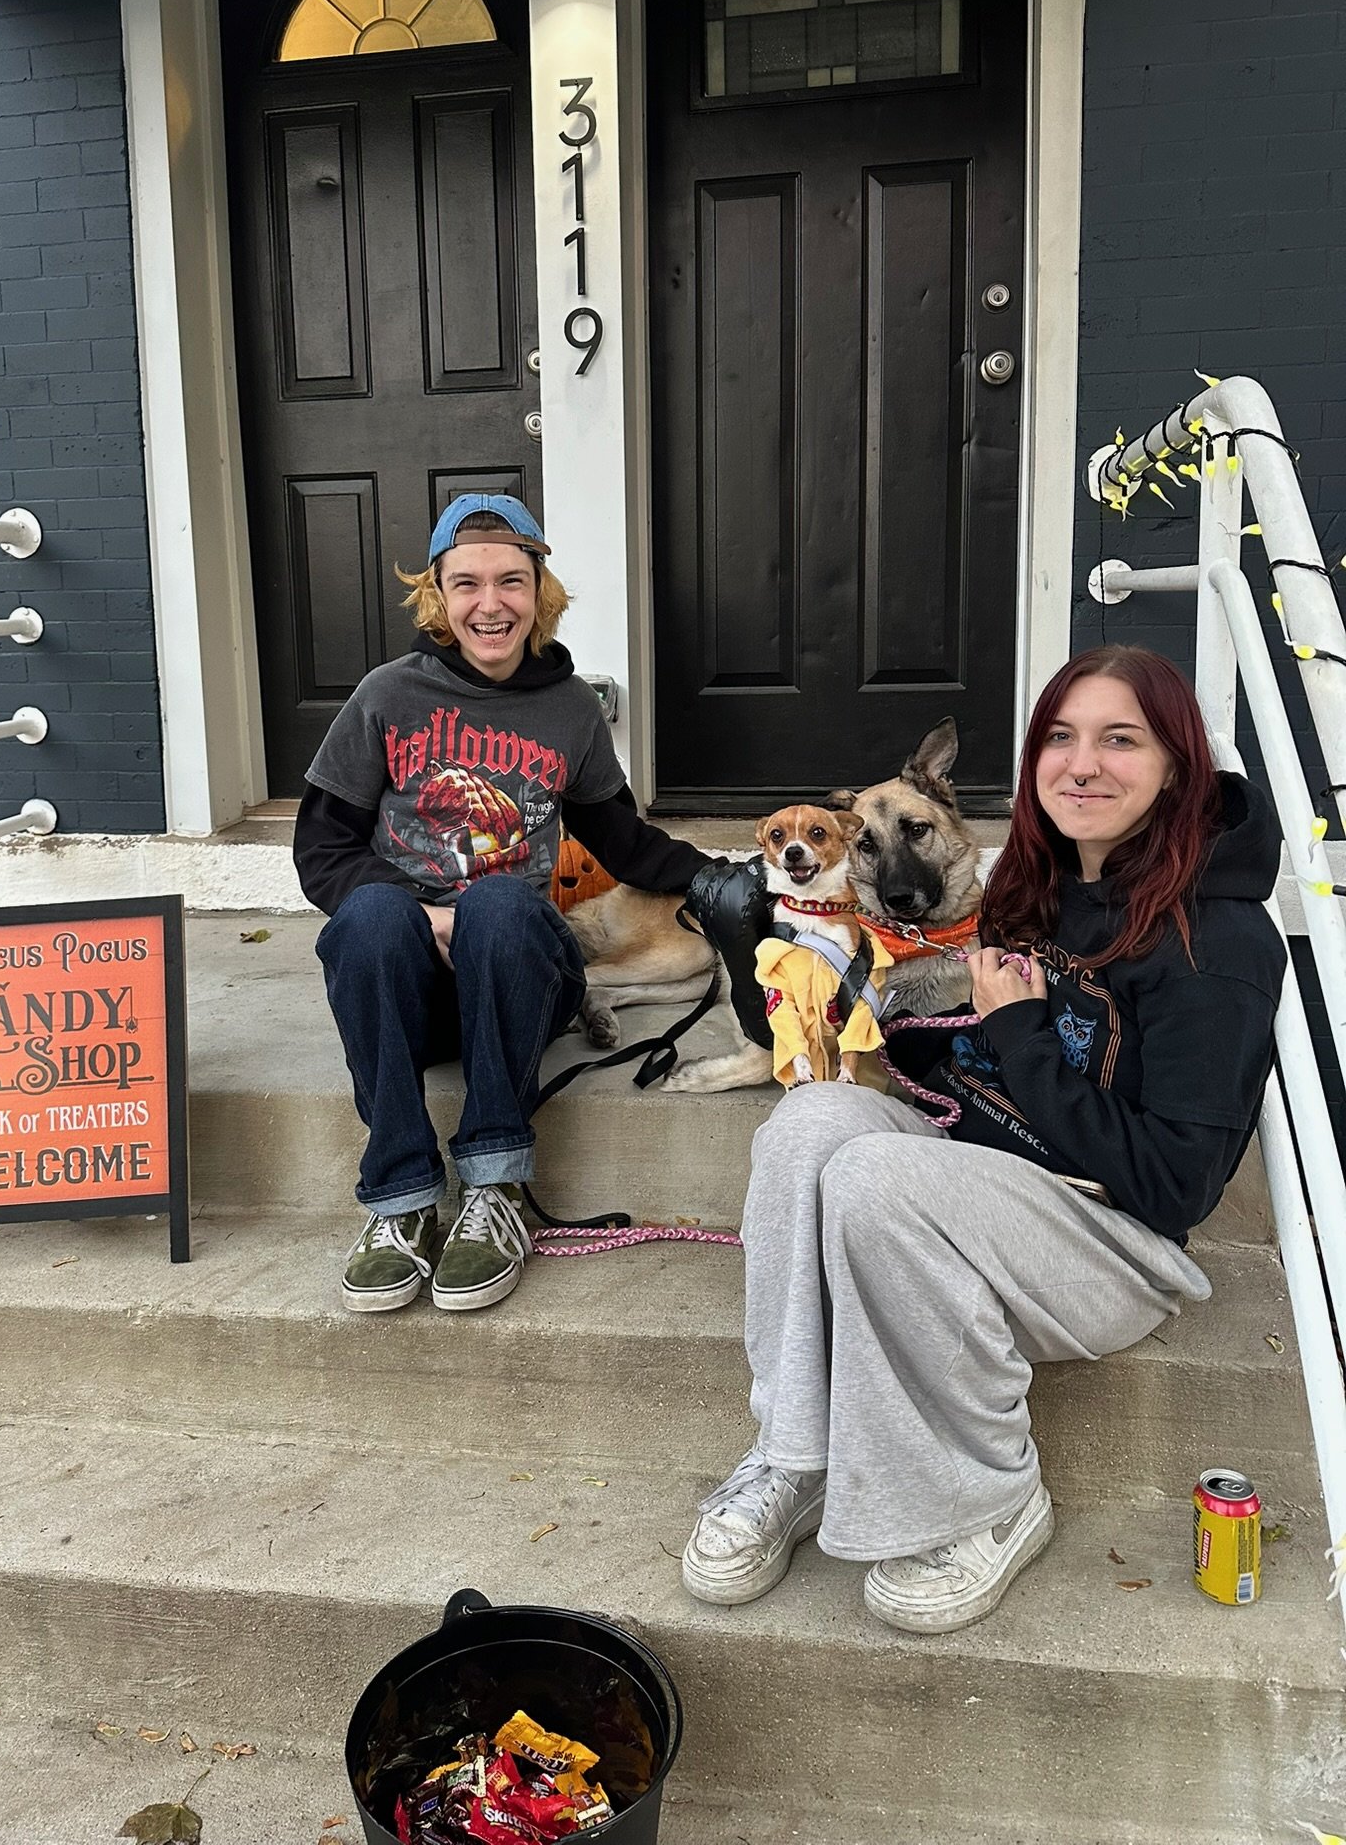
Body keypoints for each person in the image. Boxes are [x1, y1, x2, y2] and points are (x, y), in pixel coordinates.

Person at [683, 645, 1286, 1632]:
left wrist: (1011, 1032)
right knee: (811, 1119)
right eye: (1060, 736)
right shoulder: (1036, 890)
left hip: (1115, 1239)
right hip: (996, 1178)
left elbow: (1174, 1186)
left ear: (1178, 762)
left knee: (878, 1174)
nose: (1081, 762)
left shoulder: (1214, 945)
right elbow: (951, 1065)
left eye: (1119, 738)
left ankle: (994, 1493)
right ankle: (796, 1447)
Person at [294, 494, 714, 1316]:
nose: (491, 604)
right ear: (438, 597)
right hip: (414, 995)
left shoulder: (568, 711)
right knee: (372, 917)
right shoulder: (386, 696)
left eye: (512, 582)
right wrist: (422, 917)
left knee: (495, 903)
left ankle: (497, 1188)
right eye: (468, 584)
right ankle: (401, 1200)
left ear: (540, 593)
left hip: (523, 978)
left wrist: (726, 879)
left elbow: (624, 841)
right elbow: (320, 852)